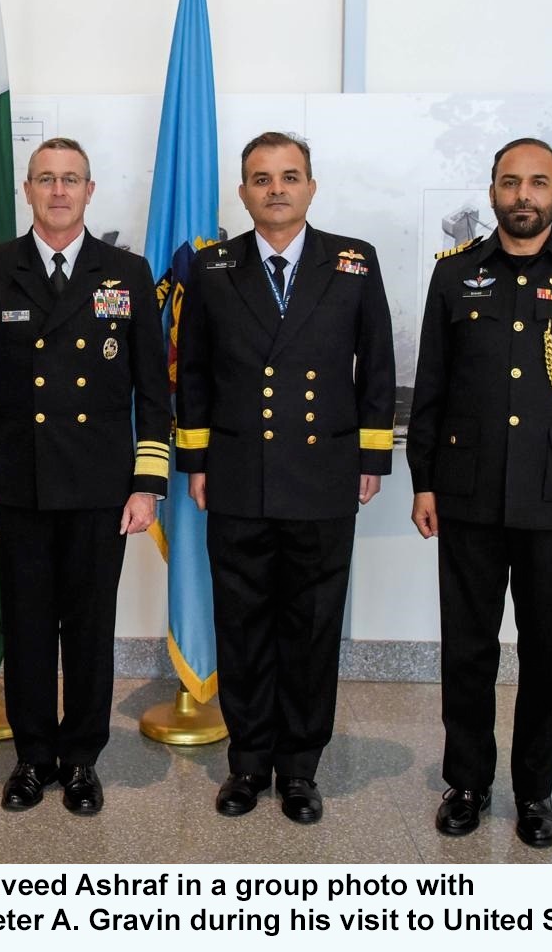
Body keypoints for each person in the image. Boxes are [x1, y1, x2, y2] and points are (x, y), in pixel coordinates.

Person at [409, 137, 552, 848]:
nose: (523, 195)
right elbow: (431, 390)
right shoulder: (455, 274)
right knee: (468, 649)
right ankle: (467, 782)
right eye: (510, 182)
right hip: (468, 493)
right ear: (492, 192)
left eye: (538, 183)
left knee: (546, 651)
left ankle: (535, 791)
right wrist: (424, 481)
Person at [176, 131, 396, 823]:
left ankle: (300, 768)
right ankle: (247, 763)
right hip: (238, 473)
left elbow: (377, 363)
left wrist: (371, 458)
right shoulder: (212, 267)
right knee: (242, 624)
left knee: (312, 626)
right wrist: (196, 461)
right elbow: (194, 372)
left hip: (323, 473)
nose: (276, 189)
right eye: (262, 178)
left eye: (290, 176)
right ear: (243, 192)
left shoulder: (353, 261)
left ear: (311, 186)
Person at [0, 137, 168, 815]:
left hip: (102, 490)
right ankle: (33, 757)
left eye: (71, 179)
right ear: (28, 190)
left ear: (90, 190)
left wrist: (148, 483)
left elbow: (153, 390)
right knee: (29, 628)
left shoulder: (126, 272)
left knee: (91, 631)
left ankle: (81, 760)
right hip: (19, 489)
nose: (59, 190)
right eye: (46, 178)